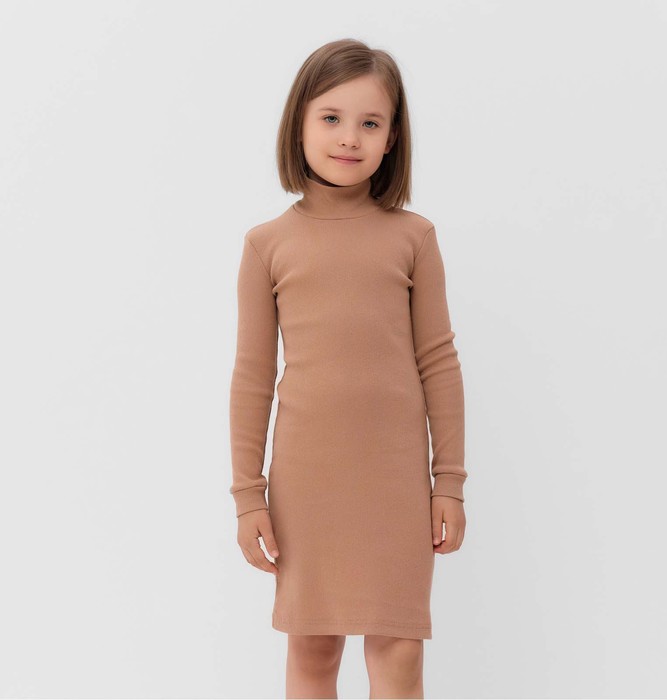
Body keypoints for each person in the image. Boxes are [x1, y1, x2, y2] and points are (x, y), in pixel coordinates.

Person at [229, 38, 467, 699]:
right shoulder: (266, 245)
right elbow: (252, 377)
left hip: (395, 481)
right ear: (298, 124)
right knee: (312, 651)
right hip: (306, 483)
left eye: (370, 122)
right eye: (331, 117)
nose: (349, 137)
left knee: (399, 651)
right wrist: (248, 496)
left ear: (392, 139)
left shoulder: (413, 238)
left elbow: (438, 363)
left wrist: (448, 484)